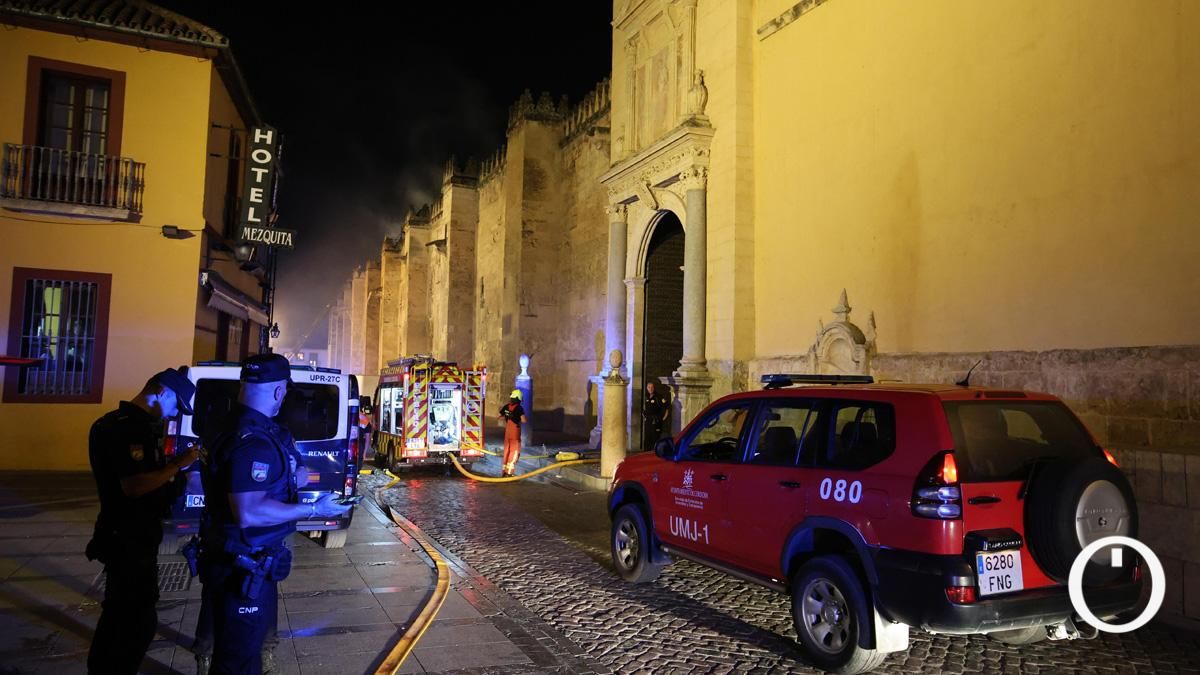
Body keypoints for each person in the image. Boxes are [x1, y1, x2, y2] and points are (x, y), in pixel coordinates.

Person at [199, 353, 349, 674]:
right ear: (280, 391)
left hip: (234, 560)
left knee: (237, 653)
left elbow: (294, 476)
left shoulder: (230, 426)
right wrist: (314, 508)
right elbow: (249, 512)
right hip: (241, 565)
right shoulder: (254, 441)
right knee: (238, 661)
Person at [86, 368, 200, 675]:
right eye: (176, 404)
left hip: (133, 536)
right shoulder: (126, 428)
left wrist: (176, 478)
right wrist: (179, 464)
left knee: (127, 620)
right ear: (161, 392)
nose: (176, 413)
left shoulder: (134, 426)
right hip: (127, 537)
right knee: (131, 624)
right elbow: (134, 485)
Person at [499, 390, 527, 477]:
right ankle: (509, 472)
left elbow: (499, 417)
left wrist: (508, 416)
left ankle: (504, 472)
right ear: (519, 398)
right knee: (514, 451)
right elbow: (523, 420)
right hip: (515, 432)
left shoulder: (506, 406)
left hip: (507, 431)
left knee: (507, 450)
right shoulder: (519, 408)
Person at [642, 381, 670, 451]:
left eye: (652, 387)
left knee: (655, 439)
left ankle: (655, 454)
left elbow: (666, 407)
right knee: (647, 439)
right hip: (648, 422)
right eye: (649, 387)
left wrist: (663, 419)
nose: (650, 389)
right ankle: (646, 455)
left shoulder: (658, 397)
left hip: (656, 422)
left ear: (654, 388)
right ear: (647, 388)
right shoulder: (646, 397)